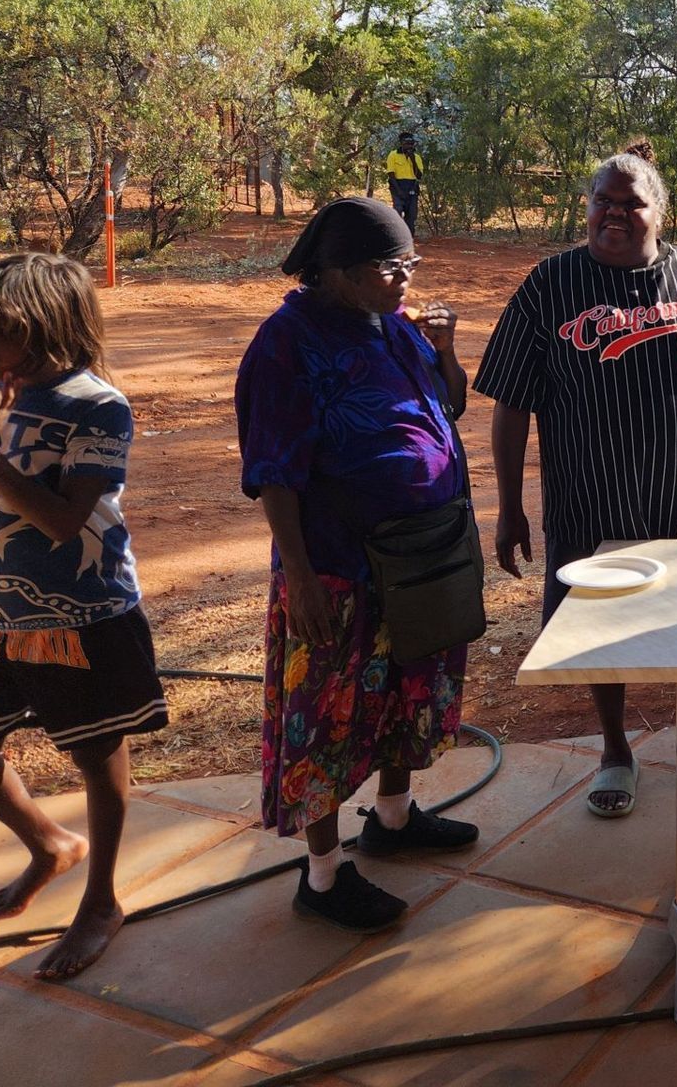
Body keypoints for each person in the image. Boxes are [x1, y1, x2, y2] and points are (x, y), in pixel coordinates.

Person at [476, 152, 677, 819]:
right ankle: (616, 751)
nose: (614, 214)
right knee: (599, 633)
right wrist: (510, 510)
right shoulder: (550, 285)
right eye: (603, 200)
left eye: (631, 203)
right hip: (587, 501)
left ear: (661, 213)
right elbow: (510, 403)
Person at [236, 197, 477, 934]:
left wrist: (443, 353)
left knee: (411, 690)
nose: (404, 279)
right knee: (327, 722)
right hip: (339, 566)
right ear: (335, 273)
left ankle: (396, 818)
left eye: (412, 264)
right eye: (388, 267)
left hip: (422, 552)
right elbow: (274, 472)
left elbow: (451, 407)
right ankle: (323, 874)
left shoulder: (397, 328)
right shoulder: (286, 343)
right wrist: (301, 580)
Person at [0, 253, 165, 981]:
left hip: (77, 617)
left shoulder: (96, 406)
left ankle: (102, 901)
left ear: (47, 325)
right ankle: (49, 845)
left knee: (93, 753)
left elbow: (60, 522)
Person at [385, 132, 423, 234]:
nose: (409, 146)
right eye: (407, 143)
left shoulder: (417, 157)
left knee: (411, 214)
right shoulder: (393, 155)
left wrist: (413, 160)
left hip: (412, 187)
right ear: (401, 143)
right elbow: (391, 174)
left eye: (411, 144)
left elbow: (419, 176)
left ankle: (409, 236)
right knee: (398, 209)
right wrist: (398, 191)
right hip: (398, 186)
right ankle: (396, 235)